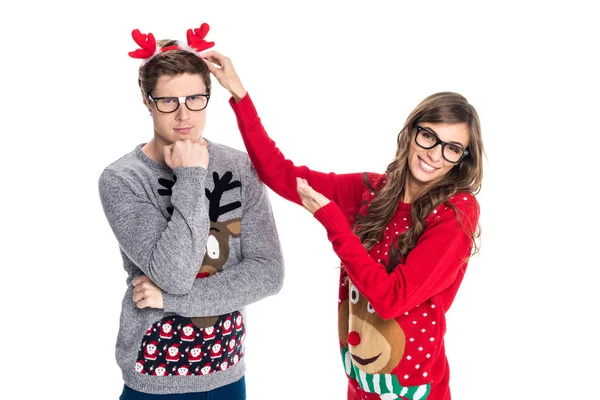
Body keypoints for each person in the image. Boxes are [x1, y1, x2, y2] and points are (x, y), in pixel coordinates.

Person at [202, 50, 484, 400]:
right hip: (360, 382)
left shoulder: (456, 211)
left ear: (462, 159)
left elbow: (392, 299)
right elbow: (280, 174)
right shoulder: (372, 191)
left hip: (417, 392)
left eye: (452, 148)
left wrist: (336, 226)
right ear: (412, 132)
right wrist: (240, 95)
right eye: (429, 137)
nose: (435, 154)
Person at [98, 24, 284, 399]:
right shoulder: (122, 179)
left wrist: (170, 301)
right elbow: (175, 273)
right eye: (168, 102)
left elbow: (269, 273)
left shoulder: (239, 166)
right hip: (154, 372)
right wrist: (190, 174)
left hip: (226, 370)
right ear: (147, 101)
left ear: (208, 96)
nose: (184, 115)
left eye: (195, 99)